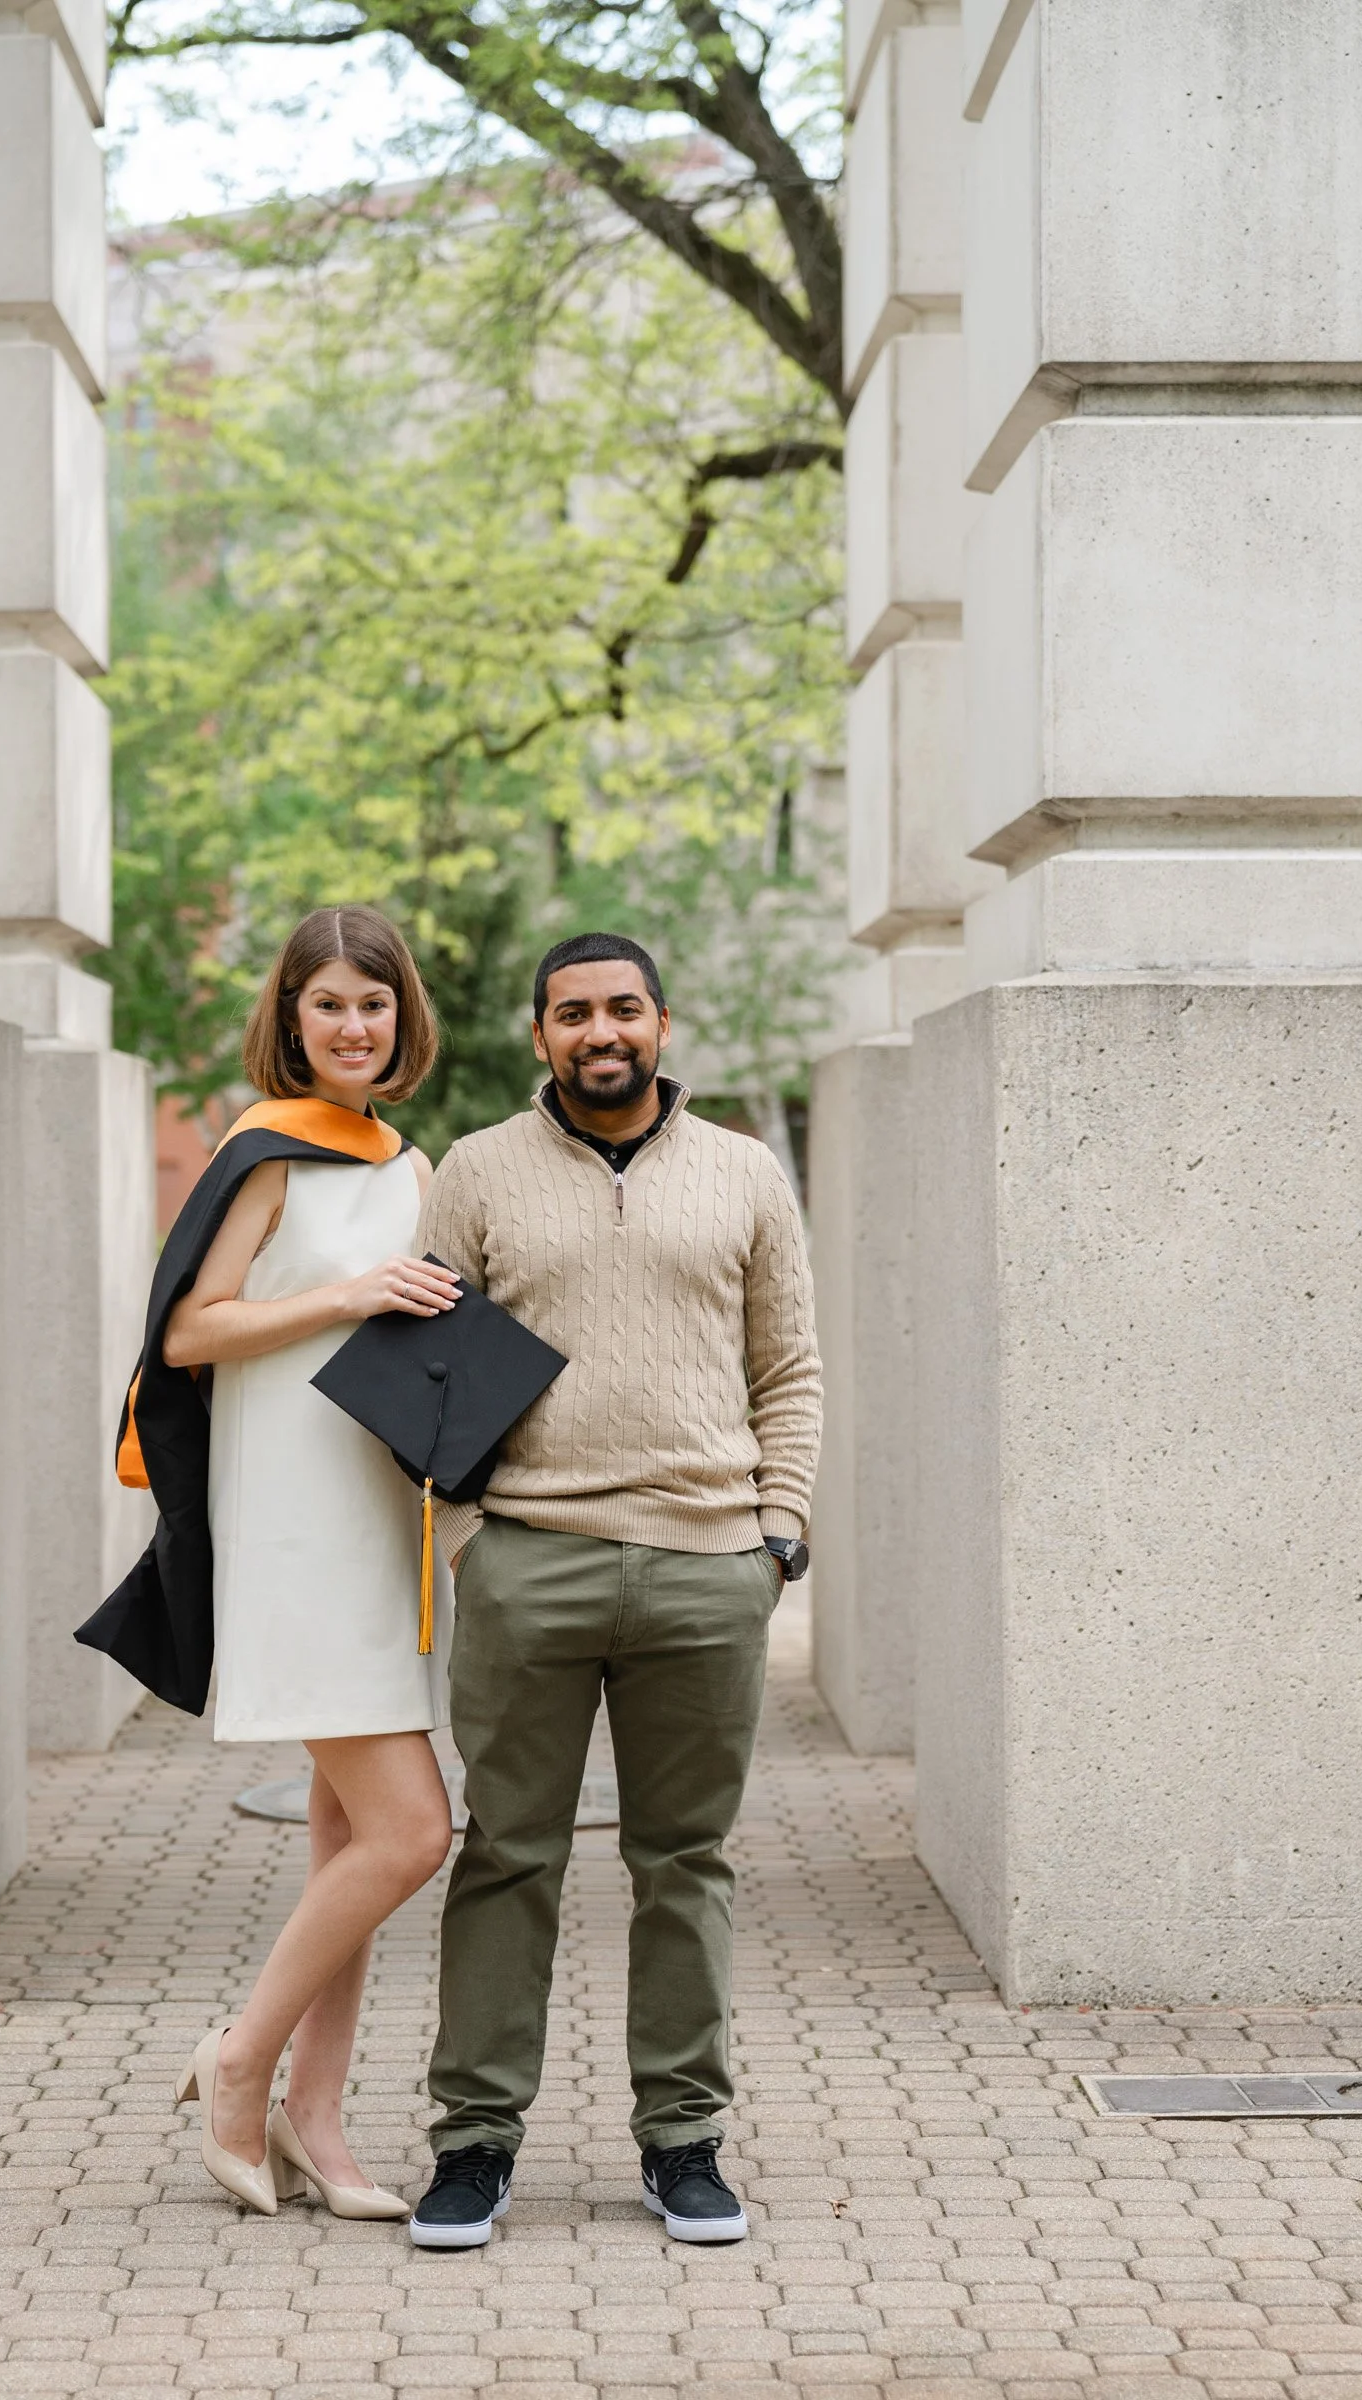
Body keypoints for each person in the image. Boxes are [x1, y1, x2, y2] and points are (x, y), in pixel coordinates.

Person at [407, 930, 822, 2249]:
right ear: (541, 1035)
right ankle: (473, 2145)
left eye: (624, 1009)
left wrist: (776, 1537)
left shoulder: (745, 1172)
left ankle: (685, 2139)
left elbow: (791, 1368)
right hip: (529, 1561)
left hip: (710, 1568)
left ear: (661, 1023)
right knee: (504, 1857)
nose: (603, 1031)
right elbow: (424, 1372)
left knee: (686, 1863)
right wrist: (471, 1539)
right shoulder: (476, 1170)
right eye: (575, 1012)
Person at [149, 906, 463, 2219]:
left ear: (404, 1020)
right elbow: (190, 1334)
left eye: (374, 1005)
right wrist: (347, 1294)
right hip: (293, 1529)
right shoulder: (266, 1151)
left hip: (388, 1522)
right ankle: (238, 2062)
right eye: (328, 1003)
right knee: (412, 1832)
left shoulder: (412, 1160)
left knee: (347, 1841)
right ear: (290, 1016)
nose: (353, 1026)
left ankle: (318, 2128)